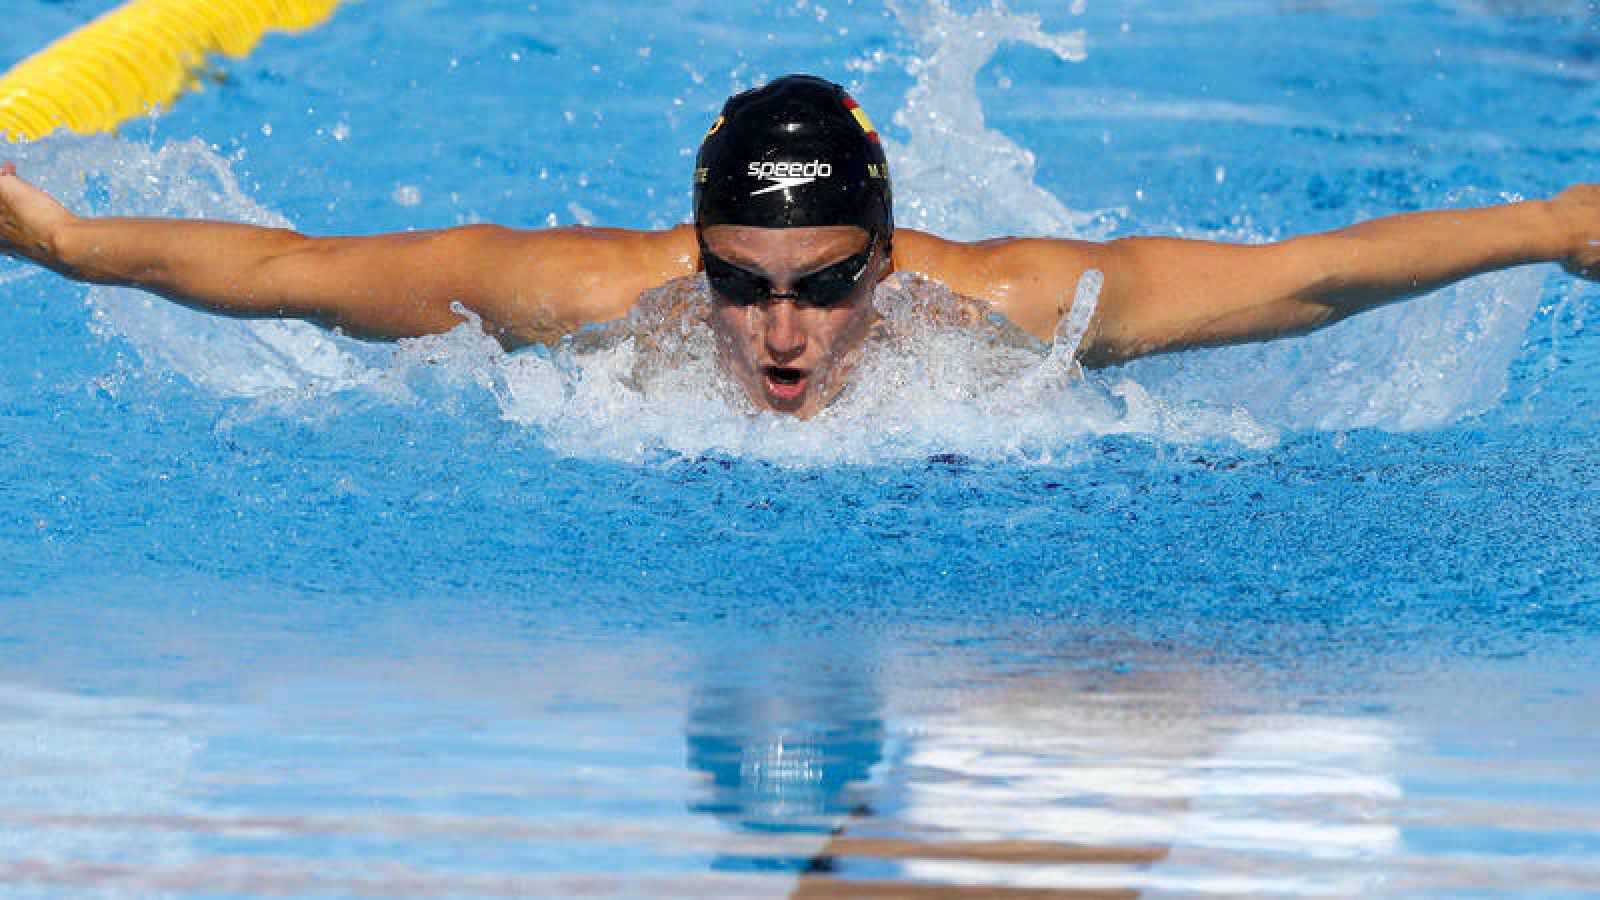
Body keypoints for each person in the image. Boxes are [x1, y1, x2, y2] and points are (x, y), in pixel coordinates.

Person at [2, 74, 1597, 419]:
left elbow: (1309, 277)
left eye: (830, 286)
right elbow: (293, 273)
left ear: (887, 255)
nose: (784, 335)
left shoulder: (1003, 314)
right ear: (691, 259)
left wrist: (1547, 226)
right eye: (743, 288)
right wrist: (61, 238)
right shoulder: (579, 305)